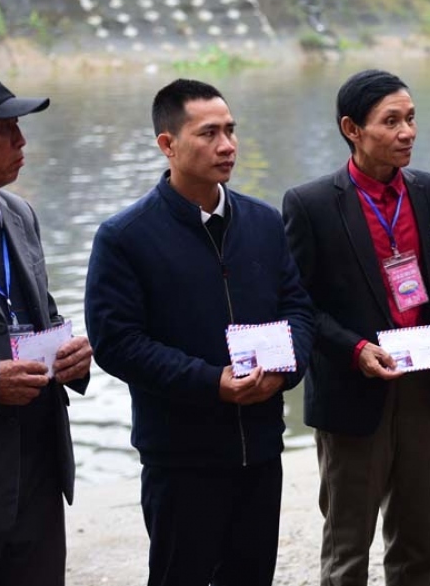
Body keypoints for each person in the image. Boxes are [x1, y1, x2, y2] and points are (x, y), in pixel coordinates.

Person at [85, 79, 316, 586]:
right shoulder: (126, 237)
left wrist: (285, 370)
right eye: (208, 133)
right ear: (167, 145)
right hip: (181, 456)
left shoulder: (262, 221)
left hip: (259, 445)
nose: (227, 145)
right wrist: (212, 381)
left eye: (230, 130)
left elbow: (298, 307)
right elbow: (116, 343)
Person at [282, 70, 430, 586]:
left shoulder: (428, 190)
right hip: (354, 392)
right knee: (348, 551)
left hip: (423, 388)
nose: (407, 132)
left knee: (417, 546)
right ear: (352, 128)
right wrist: (356, 348)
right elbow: (300, 304)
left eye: (410, 118)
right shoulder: (311, 204)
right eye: (391, 121)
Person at [0, 70, 92, 585]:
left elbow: (42, 315)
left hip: (38, 482)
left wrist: (70, 355)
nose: (21, 141)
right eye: (5, 129)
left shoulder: (19, 214)